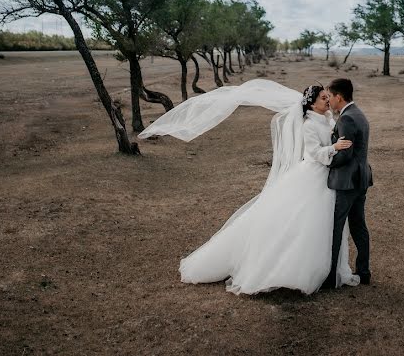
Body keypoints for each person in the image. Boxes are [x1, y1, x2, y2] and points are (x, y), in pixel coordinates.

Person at [138, 79, 361, 294]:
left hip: (327, 179)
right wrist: (333, 148)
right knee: (302, 223)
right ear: (312, 104)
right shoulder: (309, 125)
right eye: (324, 98)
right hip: (313, 176)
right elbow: (313, 154)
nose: (328, 101)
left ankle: (326, 269)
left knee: (322, 224)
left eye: (328, 97)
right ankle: (289, 270)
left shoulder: (329, 119)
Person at [322, 78, 373, 289]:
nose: (329, 101)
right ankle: (364, 271)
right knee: (359, 226)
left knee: (336, 227)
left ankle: (331, 275)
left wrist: (326, 163)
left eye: (330, 97)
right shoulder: (359, 114)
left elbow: (345, 154)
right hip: (361, 179)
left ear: (339, 97)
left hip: (347, 182)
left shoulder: (347, 119)